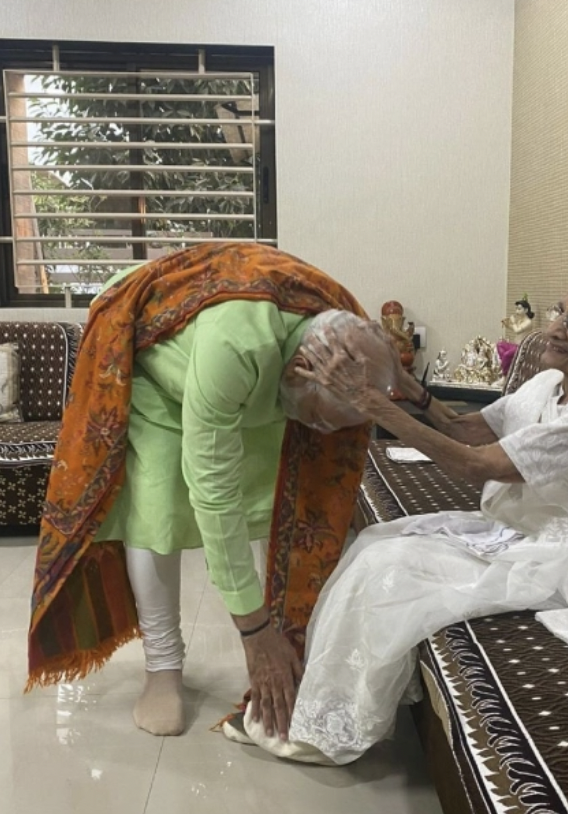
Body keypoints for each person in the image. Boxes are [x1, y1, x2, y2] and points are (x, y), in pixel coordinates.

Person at [222, 277, 568, 765]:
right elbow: (463, 426)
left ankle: (325, 731)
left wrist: (372, 403)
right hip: (537, 527)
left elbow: (475, 463)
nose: (554, 329)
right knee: (378, 540)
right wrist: (399, 385)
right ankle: (312, 701)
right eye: (559, 312)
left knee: (392, 567)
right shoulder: (551, 384)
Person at [26, 241, 398, 741]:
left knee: (280, 496)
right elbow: (213, 495)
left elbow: (378, 399)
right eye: (317, 417)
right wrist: (254, 633)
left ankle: (296, 643)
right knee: (156, 510)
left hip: (247, 374)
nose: (321, 431)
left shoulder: (344, 328)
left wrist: (433, 411)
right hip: (153, 363)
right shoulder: (238, 350)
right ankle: (163, 668)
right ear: (296, 375)